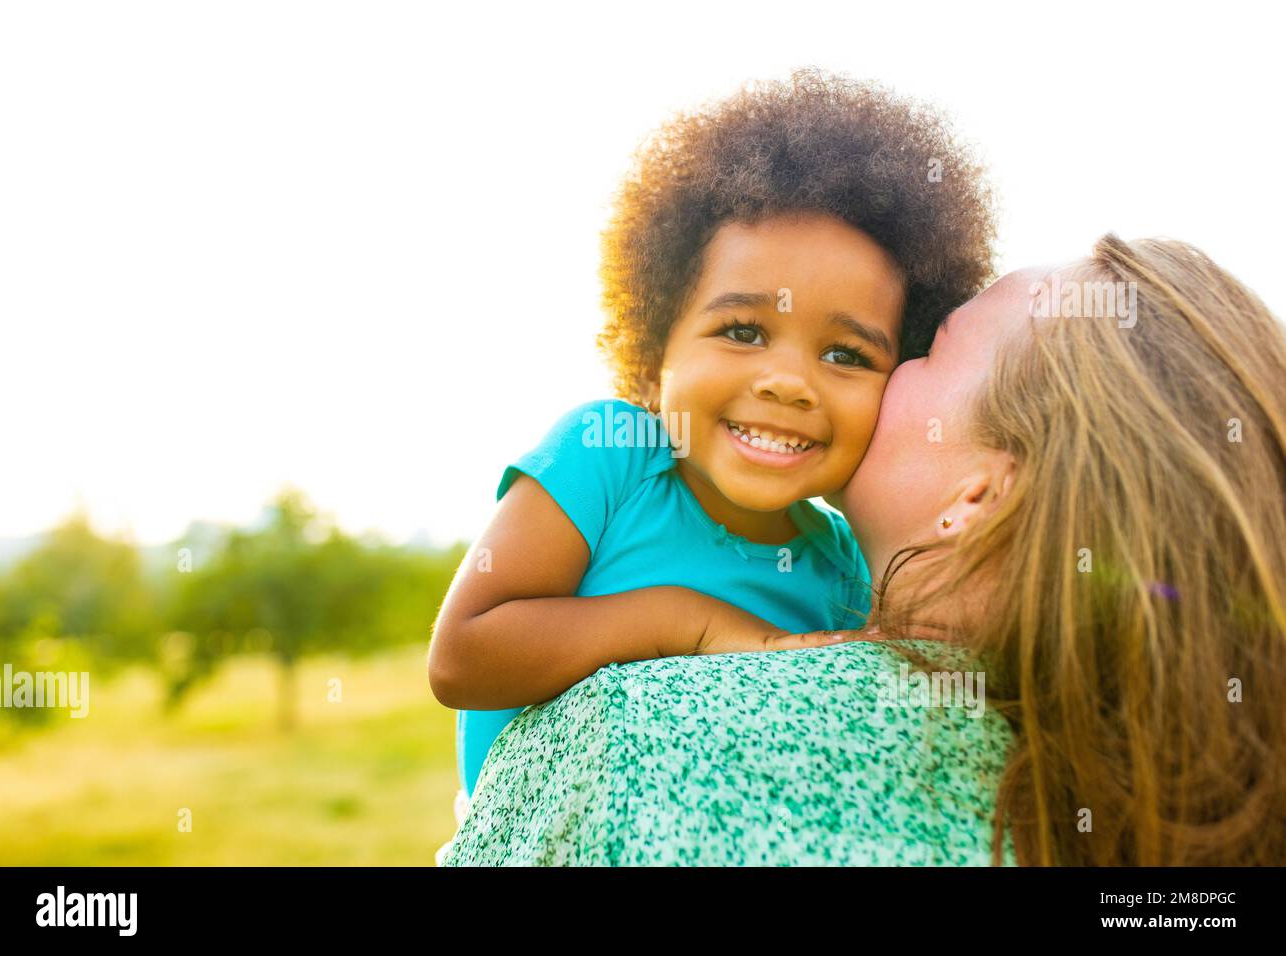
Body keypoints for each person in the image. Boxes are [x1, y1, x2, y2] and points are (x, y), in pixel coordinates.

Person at [442, 235, 1286, 866]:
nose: (792, 383)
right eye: (741, 330)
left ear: (980, 497)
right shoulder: (1109, 786)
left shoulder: (645, 733)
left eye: (916, 349)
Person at [427, 68, 996, 804]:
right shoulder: (608, 454)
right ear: (657, 341)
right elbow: (463, 659)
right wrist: (682, 623)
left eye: (845, 355)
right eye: (743, 330)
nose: (789, 382)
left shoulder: (845, 572)